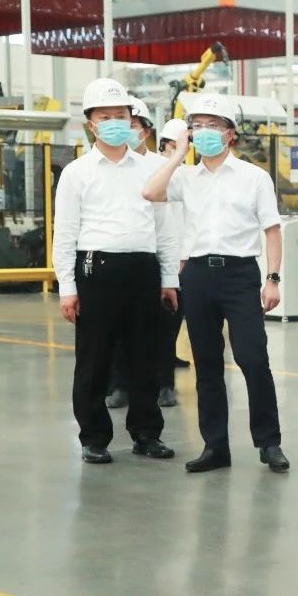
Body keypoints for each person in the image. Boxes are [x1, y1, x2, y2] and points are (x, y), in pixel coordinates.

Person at [141, 93, 290, 475]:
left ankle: (269, 442)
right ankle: (215, 446)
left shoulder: (254, 178)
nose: (204, 131)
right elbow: (150, 192)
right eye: (198, 126)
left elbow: (272, 230)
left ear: (230, 134)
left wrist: (272, 279)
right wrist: (178, 155)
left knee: (253, 358)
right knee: (206, 363)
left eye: (213, 125)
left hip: (240, 275)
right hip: (197, 275)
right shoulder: (185, 178)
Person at [54, 78, 178, 464]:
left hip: (143, 268)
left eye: (120, 115)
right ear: (90, 124)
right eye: (105, 117)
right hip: (96, 269)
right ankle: (93, 437)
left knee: (146, 356)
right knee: (94, 358)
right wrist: (67, 287)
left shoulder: (151, 168)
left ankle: (146, 433)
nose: (114, 122)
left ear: (131, 119)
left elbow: (165, 227)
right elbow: (65, 233)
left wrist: (169, 278)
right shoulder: (77, 172)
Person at [107, 100, 184, 410]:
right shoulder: (107, 166)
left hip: (154, 259)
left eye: (132, 124)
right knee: (118, 329)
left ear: (146, 130)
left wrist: (173, 264)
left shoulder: (159, 167)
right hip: (119, 260)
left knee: (161, 328)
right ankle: (119, 386)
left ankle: (164, 384)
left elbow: (171, 220)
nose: (125, 129)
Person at [155, 118, 192, 392]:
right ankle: (161, 374)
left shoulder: (188, 174)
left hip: (184, 256)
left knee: (176, 315)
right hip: (159, 255)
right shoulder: (157, 172)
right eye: (175, 145)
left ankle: (168, 359)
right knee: (162, 319)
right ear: (164, 144)